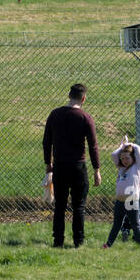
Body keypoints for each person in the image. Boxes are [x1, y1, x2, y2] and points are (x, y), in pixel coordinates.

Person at [42, 83, 101, 248]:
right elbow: (93, 146)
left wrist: (49, 165)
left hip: (59, 166)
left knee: (59, 206)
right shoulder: (85, 118)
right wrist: (97, 170)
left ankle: (58, 240)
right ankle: (78, 241)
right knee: (79, 206)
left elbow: (47, 143)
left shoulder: (54, 115)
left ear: (69, 96)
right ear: (83, 98)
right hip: (78, 167)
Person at [103, 138, 140, 248]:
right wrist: (122, 147)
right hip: (119, 201)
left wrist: (129, 144)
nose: (124, 161)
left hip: (131, 201)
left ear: (133, 158)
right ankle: (108, 244)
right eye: (122, 159)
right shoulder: (121, 168)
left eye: (127, 158)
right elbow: (113, 154)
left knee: (135, 224)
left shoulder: (137, 168)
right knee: (116, 224)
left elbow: (138, 149)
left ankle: (139, 246)